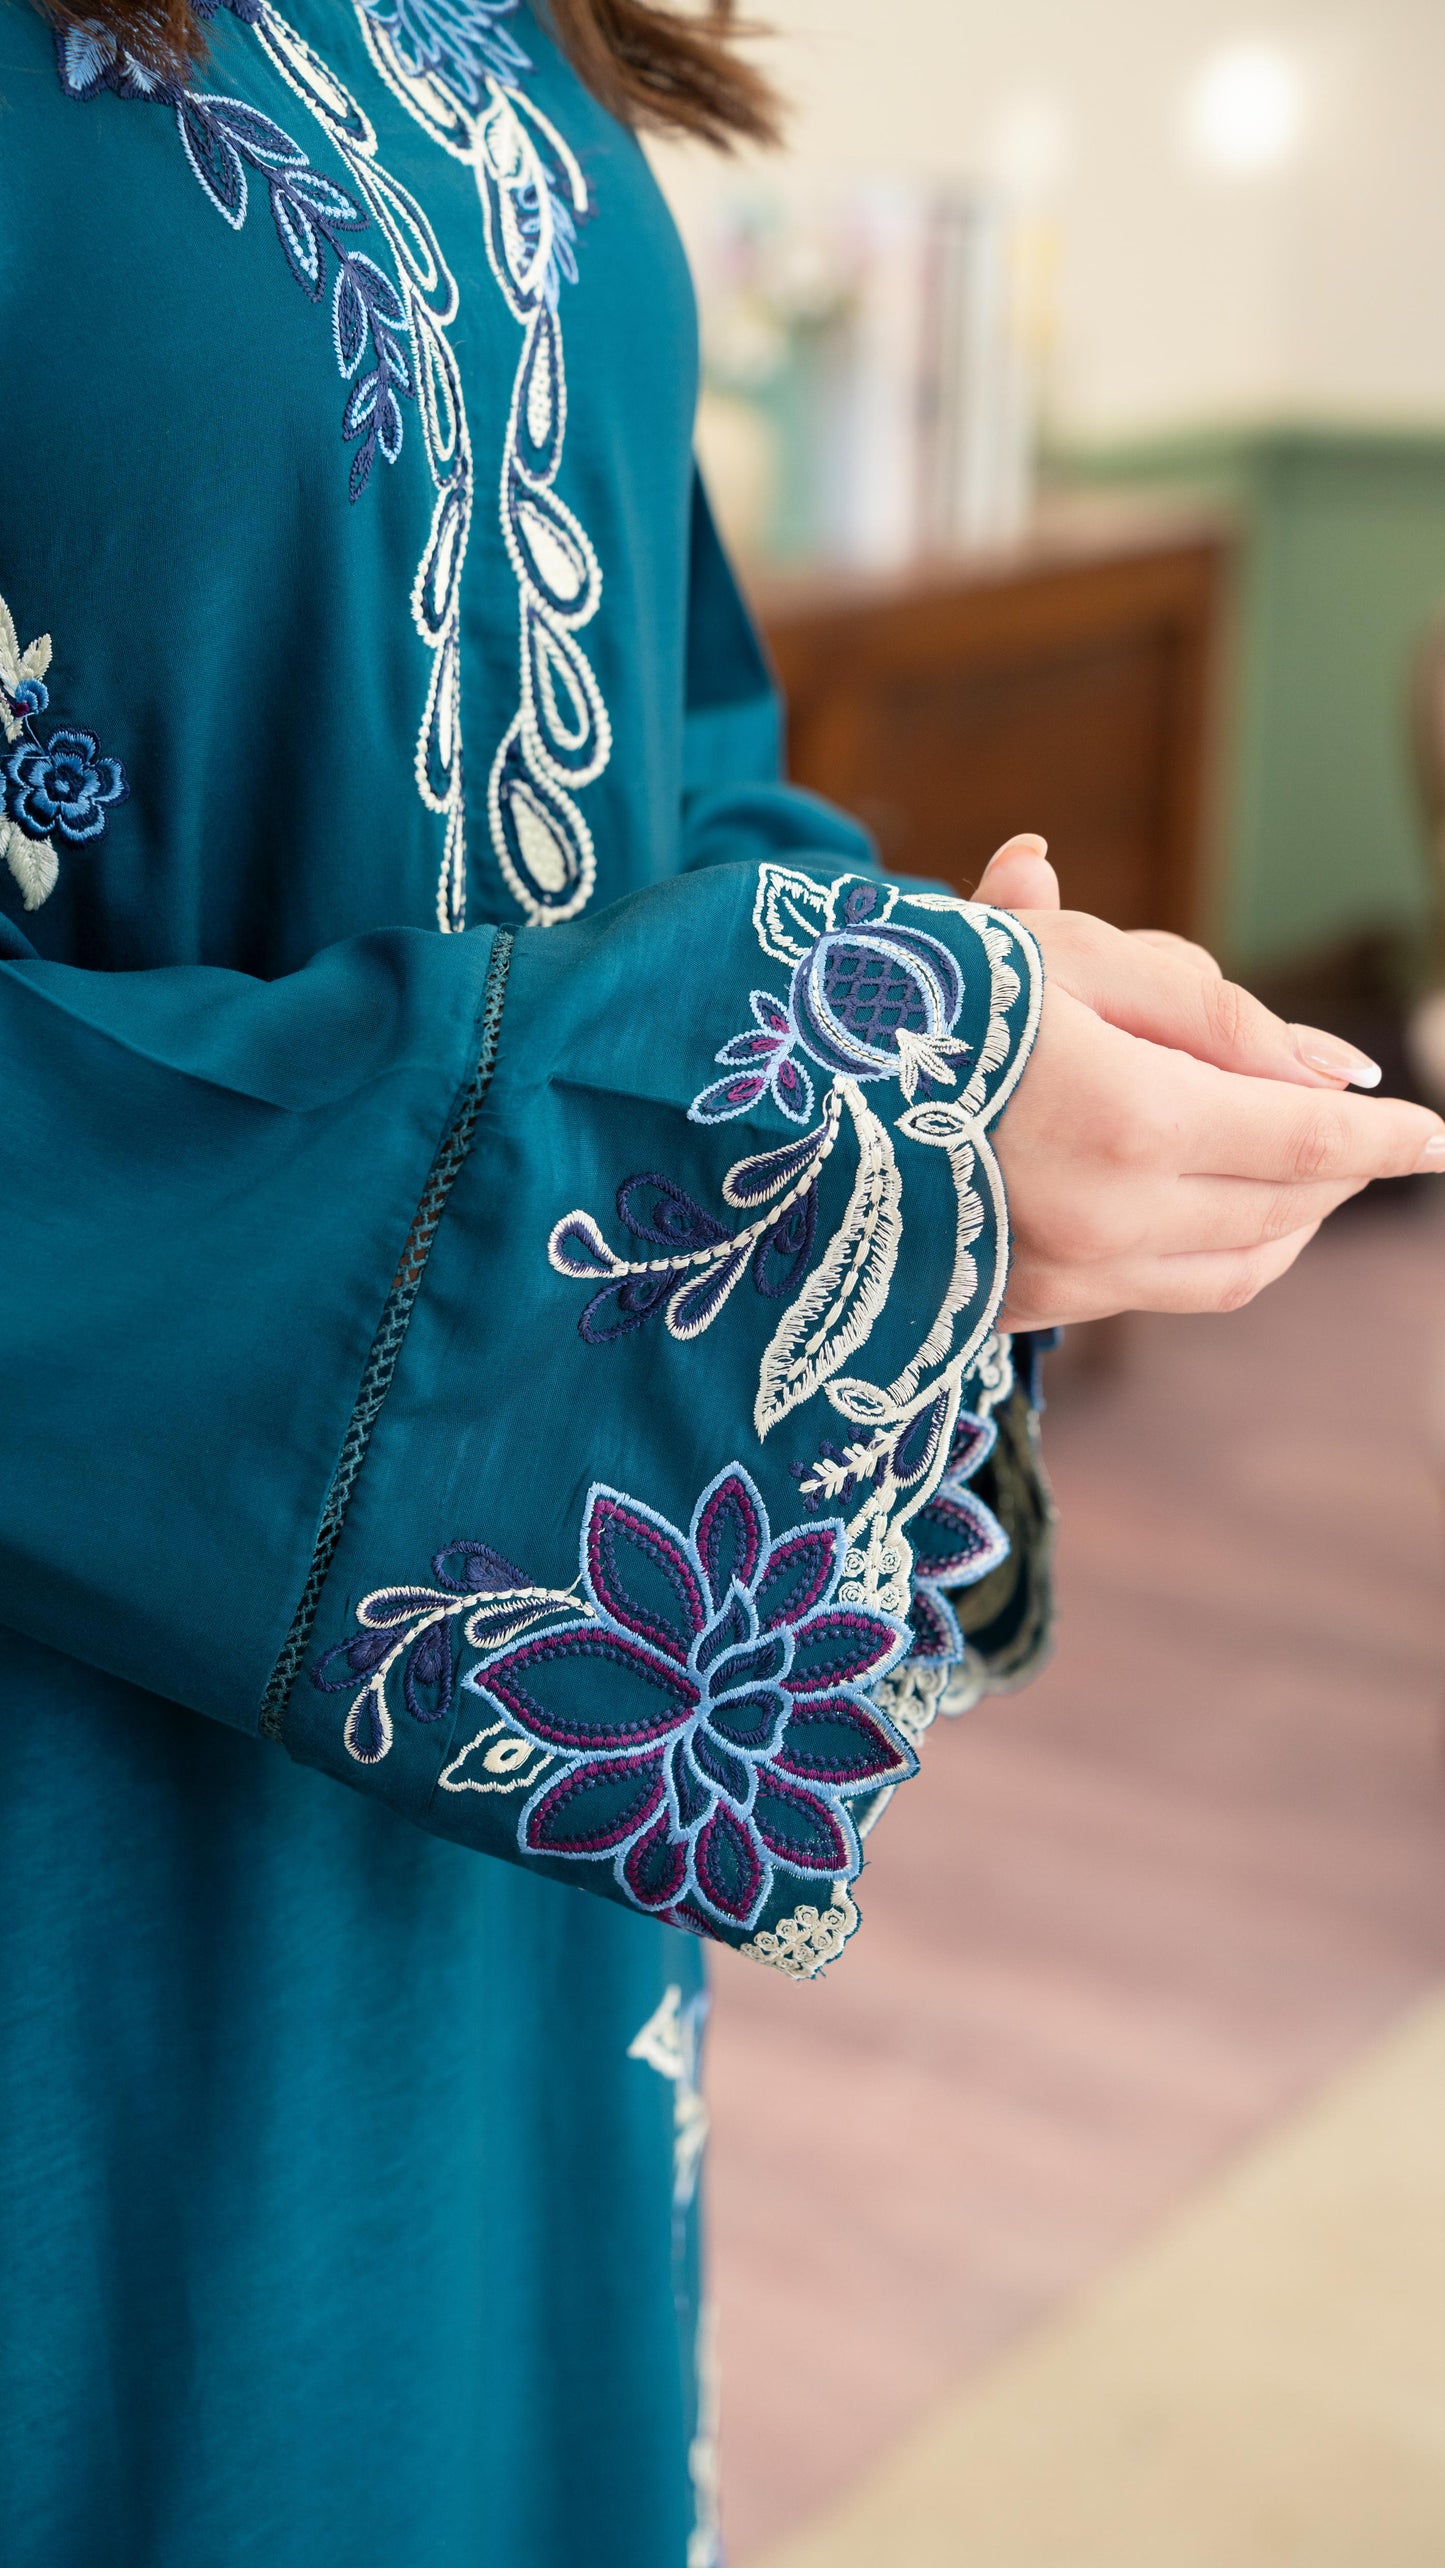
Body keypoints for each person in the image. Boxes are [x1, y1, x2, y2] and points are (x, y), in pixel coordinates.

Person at [0, 2, 1438, 2561]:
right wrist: (758, 1104)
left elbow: (661, 751)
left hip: (485, 1857)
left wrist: (913, 1023)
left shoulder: (494, 29)